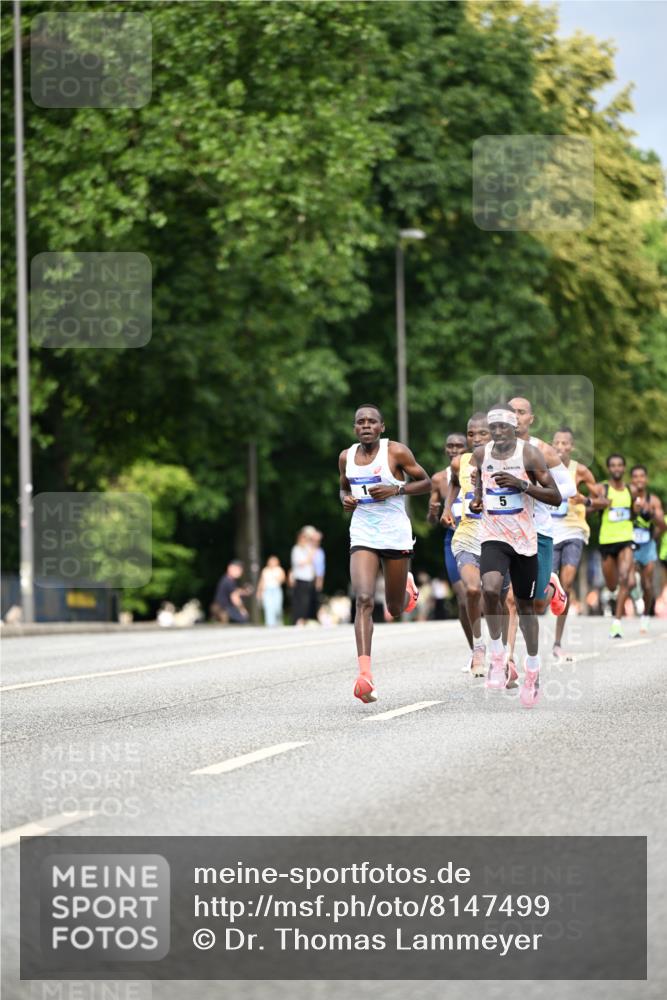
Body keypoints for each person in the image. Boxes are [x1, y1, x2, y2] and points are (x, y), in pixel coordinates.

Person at [339, 403, 431, 703]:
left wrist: (397, 490)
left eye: (371, 422)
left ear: (382, 427)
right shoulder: (346, 457)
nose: (365, 426)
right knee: (364, 599)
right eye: (360, 422)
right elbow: (343, 488)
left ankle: (407, 589)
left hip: (395, 534)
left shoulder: (396, 452)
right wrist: (347, 499)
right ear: (355, 428)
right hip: (363, 531)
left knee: (393, 608)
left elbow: (426, 483)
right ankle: (365, 675)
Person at [470, 406, 561, 707]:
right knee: (491, 589)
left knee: (526, 608)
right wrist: (478, 499)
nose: (496, 433)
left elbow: (556, 496)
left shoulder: (530, 455)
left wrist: (523, 484)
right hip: (493, 536)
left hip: (524, 540)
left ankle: (532, 668)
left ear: (515, 429)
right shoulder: (482, 455)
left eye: (502, 428)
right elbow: (478, 483)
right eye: (492, 427)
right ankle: (497, 655)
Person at [444, 412, 495, 677]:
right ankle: (478, 646)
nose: (475, 438)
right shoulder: (459, 462)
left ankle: (500, 651)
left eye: (482, 433)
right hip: (465, 535)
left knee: (497, 596)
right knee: (472, 590)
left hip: (497, 538)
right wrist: (446, 508)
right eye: (471, 433)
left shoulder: (507, 463)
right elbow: (453, 483)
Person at [550, 427, 603, 658]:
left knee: (567, 584)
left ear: (571, 446)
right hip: (549, 532)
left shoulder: (580, 470)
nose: (560, 447)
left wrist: (586, 500)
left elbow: (604, 499)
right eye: (557, 443)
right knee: (548, 587)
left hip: (573, 531)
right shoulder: (543, 467)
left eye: (565, 443)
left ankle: (558, 642)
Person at [428, 432, 473, 658]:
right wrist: (432, 513)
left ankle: (495, 647)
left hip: (480, 536)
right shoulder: (438, 479)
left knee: (485, 594)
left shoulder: (478, 470)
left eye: (459, 445)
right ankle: (476, 649)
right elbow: (431, 520)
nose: (454, 449)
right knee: (463, 597)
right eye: (450, 446)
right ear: (445, 449)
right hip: (453, 539)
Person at [598, 454, 637, 639]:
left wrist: (640, 511)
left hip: (626, 539)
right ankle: (614, 598)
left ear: (624, 468)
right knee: (612, 585)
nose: (616, 468)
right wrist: (600, 503)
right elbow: (589, 507)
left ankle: (617, 622)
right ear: (608, 468)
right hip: (606, 541)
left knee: (624, 578)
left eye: (620, 465)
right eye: (613, 465)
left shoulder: (632, 490)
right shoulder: (602, 488)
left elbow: (635, 515)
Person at [630, 464, 665, 631]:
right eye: (635, 476)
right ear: (631, 479)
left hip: (648, 545)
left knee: (647, 583)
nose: (638, 480)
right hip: (629, 545)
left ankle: (645, 615)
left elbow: (662, 525)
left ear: (646, 479)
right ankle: (636, 600)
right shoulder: (627, 497)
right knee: (629, 579)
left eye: (641, 476)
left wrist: (650, 513)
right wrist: (633, 511)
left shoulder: (654, 500)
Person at [289, 529, 317, 625]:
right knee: (299, 600)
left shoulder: (307, 549)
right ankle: (297, 619)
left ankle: (304, 619)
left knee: (307, 600)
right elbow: (300, 563)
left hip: (308, 578)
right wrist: (308, 559)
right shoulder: (296, 549)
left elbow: (312, 560)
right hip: (300, 577)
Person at [257, 555, 286, 627]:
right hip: (267, 590)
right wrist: (259, 591)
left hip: (276, 589)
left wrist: (276, 576)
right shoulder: (265, 570)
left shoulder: (279, 570)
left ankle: (278, 622)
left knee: (277, 607)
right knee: (268, 607)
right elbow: (262, 581)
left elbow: (283, 579)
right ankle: (270, 623)